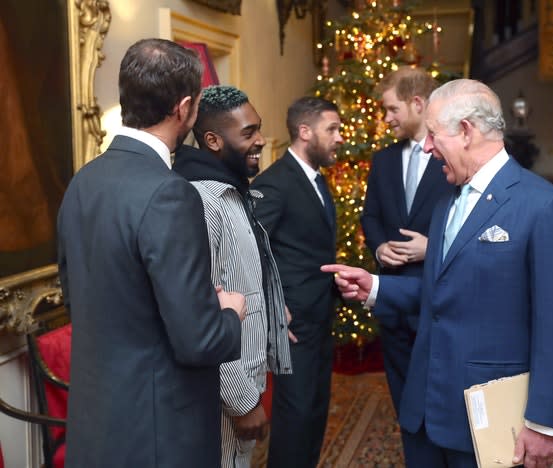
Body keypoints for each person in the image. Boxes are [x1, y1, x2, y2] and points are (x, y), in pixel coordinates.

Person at [323, 79, 553, 468]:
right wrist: (375, 287)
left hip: (492, 414)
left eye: (433, 135)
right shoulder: (448, 203)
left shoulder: (544, 208)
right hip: (426, 407)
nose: (427, 147)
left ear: (466, 131)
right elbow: (442, 292)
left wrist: (545, 422)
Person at [57, 38, 245, 468]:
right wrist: (229, 312)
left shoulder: (82, 182)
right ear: (184, 108)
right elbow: (200, 340)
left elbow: (84, 298)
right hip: (159, 433)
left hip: (98, 424)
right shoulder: (169, 193)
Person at [172, 85, 292, 467]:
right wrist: (242, 402)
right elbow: (201, 310)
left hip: (247, 380)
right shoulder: (204, 200)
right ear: (212, 140)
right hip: (223, 395)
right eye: (248, 133)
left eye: (258, 129)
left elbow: (241, 282)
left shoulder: (232, 191)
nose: (260, 141)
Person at [250, 97, 343, 468]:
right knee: (295, 416)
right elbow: (249, 247)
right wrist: (271, 306)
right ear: (305, 132)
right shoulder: (276, 183)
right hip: (293, 324)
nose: (339, 137)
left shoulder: (316, 180)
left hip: (319, 317)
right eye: (332, 129)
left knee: (314, 412)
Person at [360, 67, 454, 421]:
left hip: (437, 295)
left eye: (391, 109)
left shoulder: (451, 155)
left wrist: (433, 247)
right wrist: (379, 246)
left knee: (439, 393)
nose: (386, 119)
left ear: (417, 103)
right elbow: (370, 216)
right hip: (392, 297)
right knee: (402, 392)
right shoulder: (383, 160)